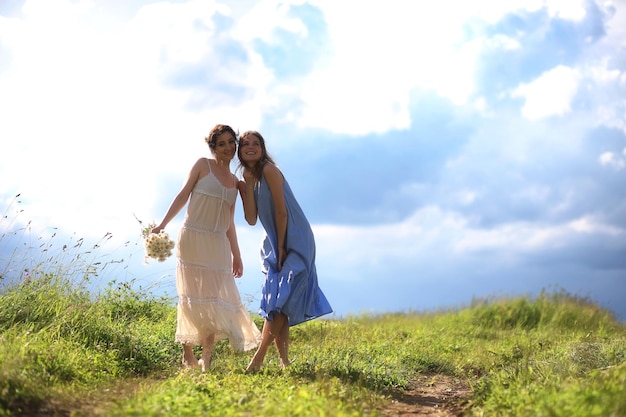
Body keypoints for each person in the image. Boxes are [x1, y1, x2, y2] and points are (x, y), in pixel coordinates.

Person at [151, 124, 261, 372]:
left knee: (213, 300)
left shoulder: (235, 182)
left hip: (218, 243)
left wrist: (237, 254)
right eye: (221, 144)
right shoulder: (203, 165)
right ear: (213, 147)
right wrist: (162, 224)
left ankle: (207, 360)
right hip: (193, 237)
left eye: (231, 142)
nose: (228, 147)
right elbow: (182, 196)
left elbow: (230, 222)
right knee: (191, 297)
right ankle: (187, 351)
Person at [237, 130, 333, 372]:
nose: (250, 147)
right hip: (274, 239)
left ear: (263, 148)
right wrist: (245, 187)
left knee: (281, 301)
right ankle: (285, 363)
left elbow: (282, 212)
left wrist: (281, 247)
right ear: (239, 151)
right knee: (279, 301)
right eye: (245, 144)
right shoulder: (252, 177)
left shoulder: (269, 170)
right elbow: (250, 219)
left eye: (256, 143)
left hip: (295, 238)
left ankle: (258, 359)